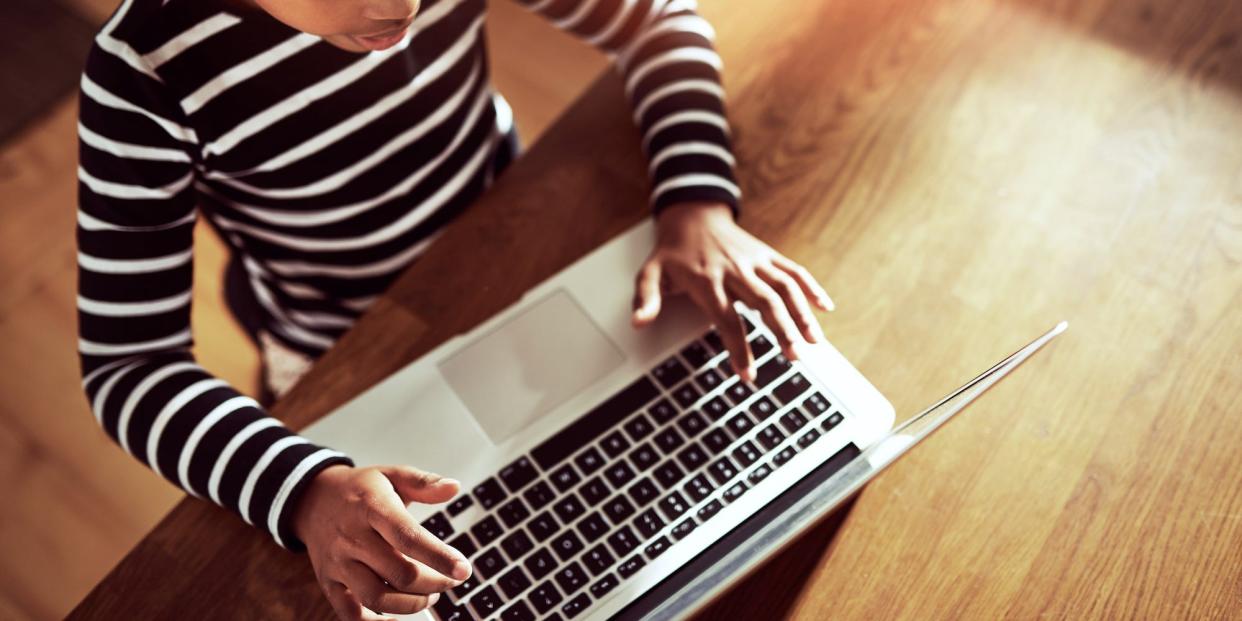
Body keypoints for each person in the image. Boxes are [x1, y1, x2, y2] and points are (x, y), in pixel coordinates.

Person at [75, 0, 834, 618]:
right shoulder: (142, 73)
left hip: (512, 250)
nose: (398, 5)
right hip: (338, 347)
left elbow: (658, 19)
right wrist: (301, 487)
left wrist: (698, 199)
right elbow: (127, 366)